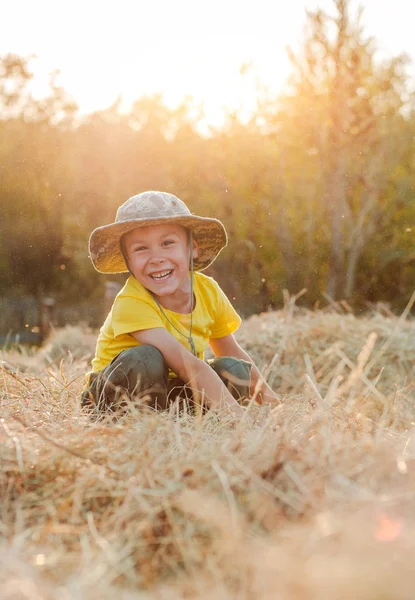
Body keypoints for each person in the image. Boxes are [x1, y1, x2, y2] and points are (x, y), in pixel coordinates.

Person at [81, 191, 279, 418]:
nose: (156, 258)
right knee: (146, 358)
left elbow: (231, 350)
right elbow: (188, 365)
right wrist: (237, 418)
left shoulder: (207, 290)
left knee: (234, 369)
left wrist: (276, 407)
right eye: (141, 249)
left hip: (171, 390)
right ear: (127, 260)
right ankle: (144, 430)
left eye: (167, 243)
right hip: (113, 395)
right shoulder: (131, 301)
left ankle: (183, 427)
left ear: (192, 248)